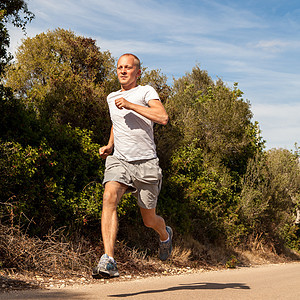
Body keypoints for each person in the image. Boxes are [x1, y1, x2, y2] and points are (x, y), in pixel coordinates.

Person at [92, 53, 172, 279]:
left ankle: (164, 234)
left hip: (146, 163)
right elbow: (116, 123)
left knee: (149, 220)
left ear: (138, 72)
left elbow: (162, 117)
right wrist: (109, 145)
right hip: (120, 160)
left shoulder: (146, 91)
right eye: (119, 67)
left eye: (128, 67)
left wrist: (130, 104)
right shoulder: (111, 97)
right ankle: (108, 260)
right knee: (109, 197)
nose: (123, 71)